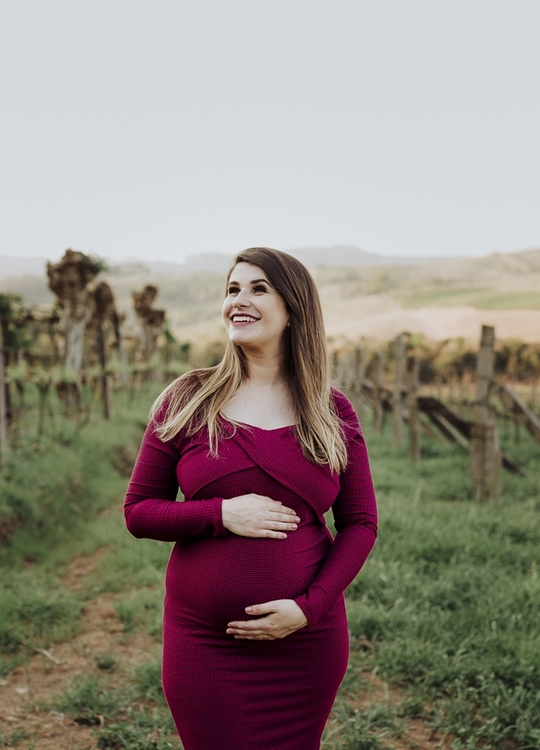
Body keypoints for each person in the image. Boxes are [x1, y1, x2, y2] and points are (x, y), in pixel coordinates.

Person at [123, 247, 379, 749]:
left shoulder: (331, 410)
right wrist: (221, 514)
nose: (239, 300)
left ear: (293, 309)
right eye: (233, 289)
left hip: (306, 643)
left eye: (259, 288)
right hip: (204, 643)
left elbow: (360, 523)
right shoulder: (188, 399)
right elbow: (138, 512)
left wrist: (309, 608)